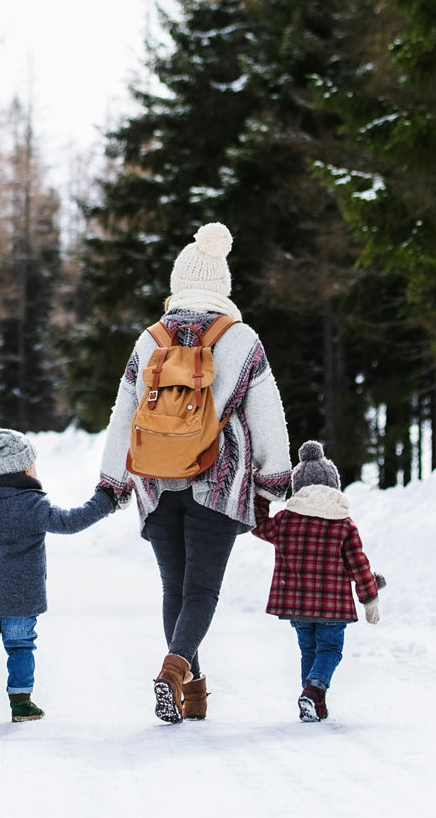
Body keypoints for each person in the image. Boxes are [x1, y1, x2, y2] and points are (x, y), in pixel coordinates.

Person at [97, 222, 292, 723]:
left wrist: (113, 481)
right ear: (222, 287)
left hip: (157, 482)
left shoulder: (150, 339)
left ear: (177, 284)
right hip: (218, 483)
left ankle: (193, 692)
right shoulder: (242, 338)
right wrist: (274, 478)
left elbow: (124, 412)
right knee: (201, 590)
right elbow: (268, 414)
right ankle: (176, 669)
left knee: (174, 589)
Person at [0, 425, 116, 724]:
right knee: (20, 646)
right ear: (22, 469)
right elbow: (69, 522)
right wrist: (104, 501)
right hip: (21, 596)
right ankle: (21, 705)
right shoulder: (33, 504)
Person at [251, 441, 384, 722]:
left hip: (297, 605)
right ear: (334, 486)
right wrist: (369, 597)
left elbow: (259, 525)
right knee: (331, 650)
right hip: (332, 608)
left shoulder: (286, 520)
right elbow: (358, 565)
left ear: (298, 488)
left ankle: (313, 702)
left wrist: (261, 493)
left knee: (309, 650)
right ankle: (312, 692)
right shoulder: (343, 524)